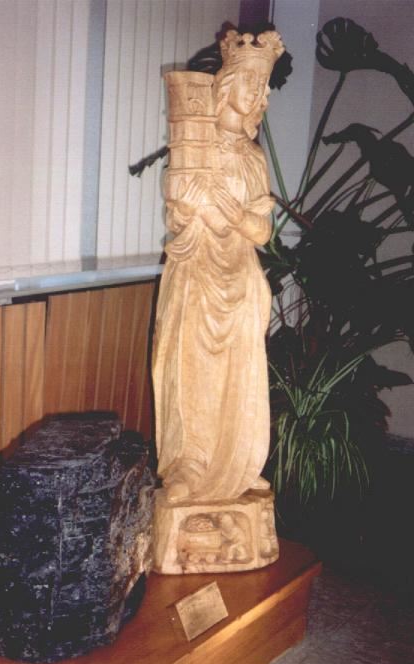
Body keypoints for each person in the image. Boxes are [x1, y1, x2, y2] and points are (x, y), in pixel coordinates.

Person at [153, 30, 284, 504]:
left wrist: (235, 216)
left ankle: (239, 461)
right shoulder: (194, 147)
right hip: (197, 271)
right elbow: (178, 213)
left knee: (238, 372)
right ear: (226, 86)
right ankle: (188, 464)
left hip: (240, 277)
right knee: (192, 371)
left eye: (261, 86)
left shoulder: (253, 157)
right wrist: (193, 205)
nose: (257, 94)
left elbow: (262, 231)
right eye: (250, 82)